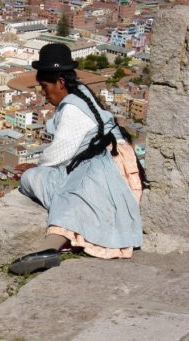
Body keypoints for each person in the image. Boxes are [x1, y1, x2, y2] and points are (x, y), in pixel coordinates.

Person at [9, 44, 143, 275]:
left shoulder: (72, 110)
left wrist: (35, 166)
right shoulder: (82, 94)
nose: (43, 92)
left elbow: (58, 154)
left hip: (103, 167)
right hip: (115, 162)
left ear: (60, 82)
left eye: (44, 86)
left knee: (42, 181)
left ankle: (50, 247)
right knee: (66, 188)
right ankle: (49, 249)